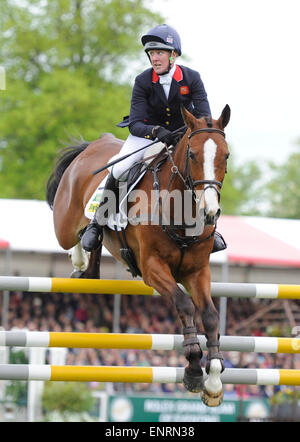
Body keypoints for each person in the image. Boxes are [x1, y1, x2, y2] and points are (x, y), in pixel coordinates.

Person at [81, 24, 226, 253]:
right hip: (146, 136)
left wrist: (186, 135)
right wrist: (157, 132)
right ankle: (97, 223)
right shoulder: (143, 81)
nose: (154, 58)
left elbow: (204, 117)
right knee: (120, 168)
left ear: (173, 54)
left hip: (181, 138)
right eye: (151, 54)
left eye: (159, 53)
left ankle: (210, 228)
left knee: (204, 166)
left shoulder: (192, 78)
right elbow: (137, 122)